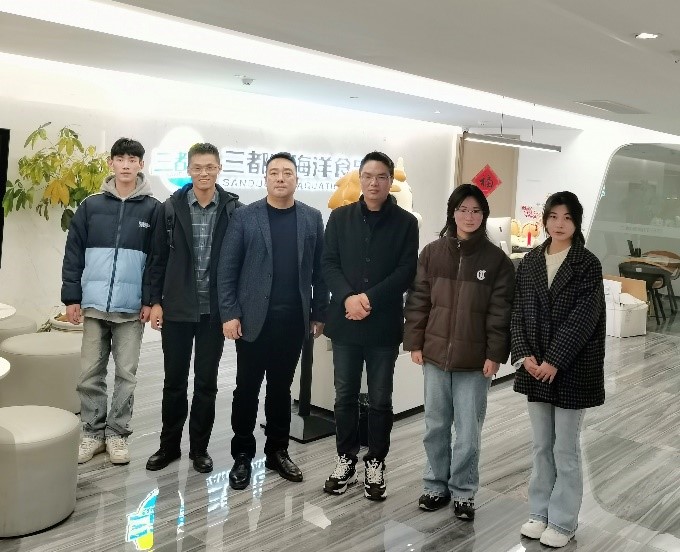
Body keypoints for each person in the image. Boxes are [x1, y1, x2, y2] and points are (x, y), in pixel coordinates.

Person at [403, 184, 514, 520]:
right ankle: (435, 485)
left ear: (484, 216)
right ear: (452, 212)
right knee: (436, 425)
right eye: (463, 209)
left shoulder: (496, 261)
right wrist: (415, 342)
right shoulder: (432, 253)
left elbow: (500, 313)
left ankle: (464, 491)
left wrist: (495, 354)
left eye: (476, 211)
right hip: (435, 355)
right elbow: (419, 301)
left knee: (468, 431)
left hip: (475, 362)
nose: (469, 216)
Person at [217, 152, 328, 490]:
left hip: (293, 320)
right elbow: (227, 269)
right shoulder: (245, 216)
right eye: (275, 172)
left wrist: (319, 312)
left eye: (287, 173)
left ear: (297, 179)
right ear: (265, 178)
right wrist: (229, 313)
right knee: (246, 390)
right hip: (252, 320)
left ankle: (277, 451)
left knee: (281, 390)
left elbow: (320, 271)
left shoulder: (311, 218)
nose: (281, 178)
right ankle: (241, 455)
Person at [322, 151, 418, 501]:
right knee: (344, 396)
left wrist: (368, 299)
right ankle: (346, 459)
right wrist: (348, 298)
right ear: (359, 179)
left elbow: (406, 272)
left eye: (381, 176)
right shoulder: (340, 217)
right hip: (345, 323)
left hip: (382, 325)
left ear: (390, 180)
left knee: (380, 399)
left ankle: (376, 461)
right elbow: (328, 263)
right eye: (367, 176)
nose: (373, 183)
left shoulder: (406, 223)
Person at [512, 191, 605, 548]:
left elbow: (584, 318)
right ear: (545, 220)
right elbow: (518, 311)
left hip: (571, 369)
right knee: (541, 446)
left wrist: (554, 360)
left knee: (565, 448)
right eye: (553, 216)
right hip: (535, 367)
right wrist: (524, 355)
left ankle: (563, 522)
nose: (559, 224)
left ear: (576, 222)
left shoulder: (587, 263)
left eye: (567, 217)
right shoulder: (530, 261)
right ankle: (539, 512)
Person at [62, 137, 161, 465]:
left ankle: (118, 433)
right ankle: (92, 432)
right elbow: (73, 253)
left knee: (126, 375)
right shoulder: (90, 206)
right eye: (120, 159)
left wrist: (150, 300)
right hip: (93, 305)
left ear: (141, 165)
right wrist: (71, 297)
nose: (126, 165)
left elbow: (157, 260)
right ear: (111, 163)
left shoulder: (153, 209)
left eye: (133, 160)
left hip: (131, 308)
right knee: (89, 373)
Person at [146, 142, 242, 474]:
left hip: (213, 311)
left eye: (210, 167)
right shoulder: (170, 208)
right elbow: (157, 260)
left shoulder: (233, 209)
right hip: (176, 308)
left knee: (206, 383)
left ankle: (199, 449)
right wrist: (155, 302)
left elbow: (239, 263)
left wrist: (233, 309)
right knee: (174, 381)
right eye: (198, 167)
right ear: (188, 170)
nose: (204, 173)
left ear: (219, 169)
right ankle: (169, 446)